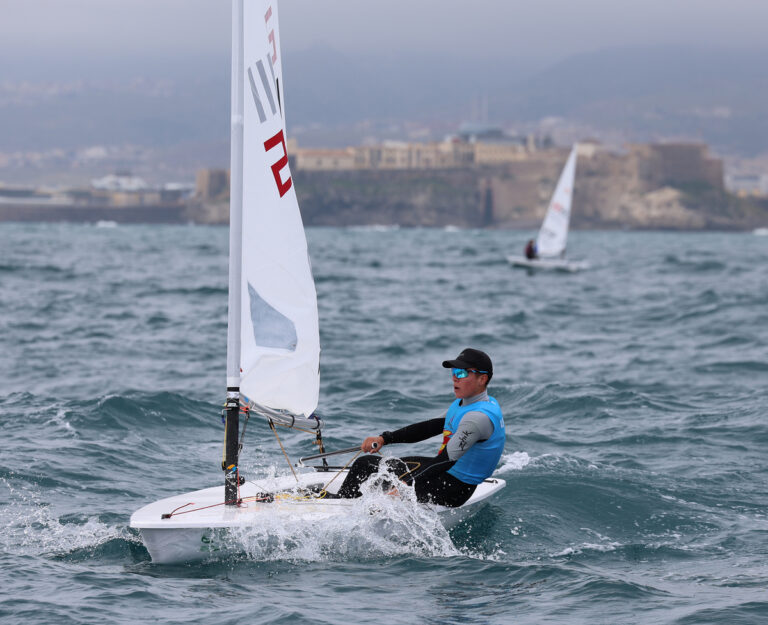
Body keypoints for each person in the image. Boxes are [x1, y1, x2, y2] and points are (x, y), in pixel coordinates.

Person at [333, 348, 505, 507]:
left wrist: (405, 486)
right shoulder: (464, 405)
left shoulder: (478, 418)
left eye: (461, 372)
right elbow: (428, 428)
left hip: (454, 488)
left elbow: (445, 460)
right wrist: (384, 438)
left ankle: (342, 510)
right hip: (444, 472)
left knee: (383, 480)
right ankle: (341, 503)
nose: (455, 377)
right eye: (453, 372)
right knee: (365, 464)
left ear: (482, 379)